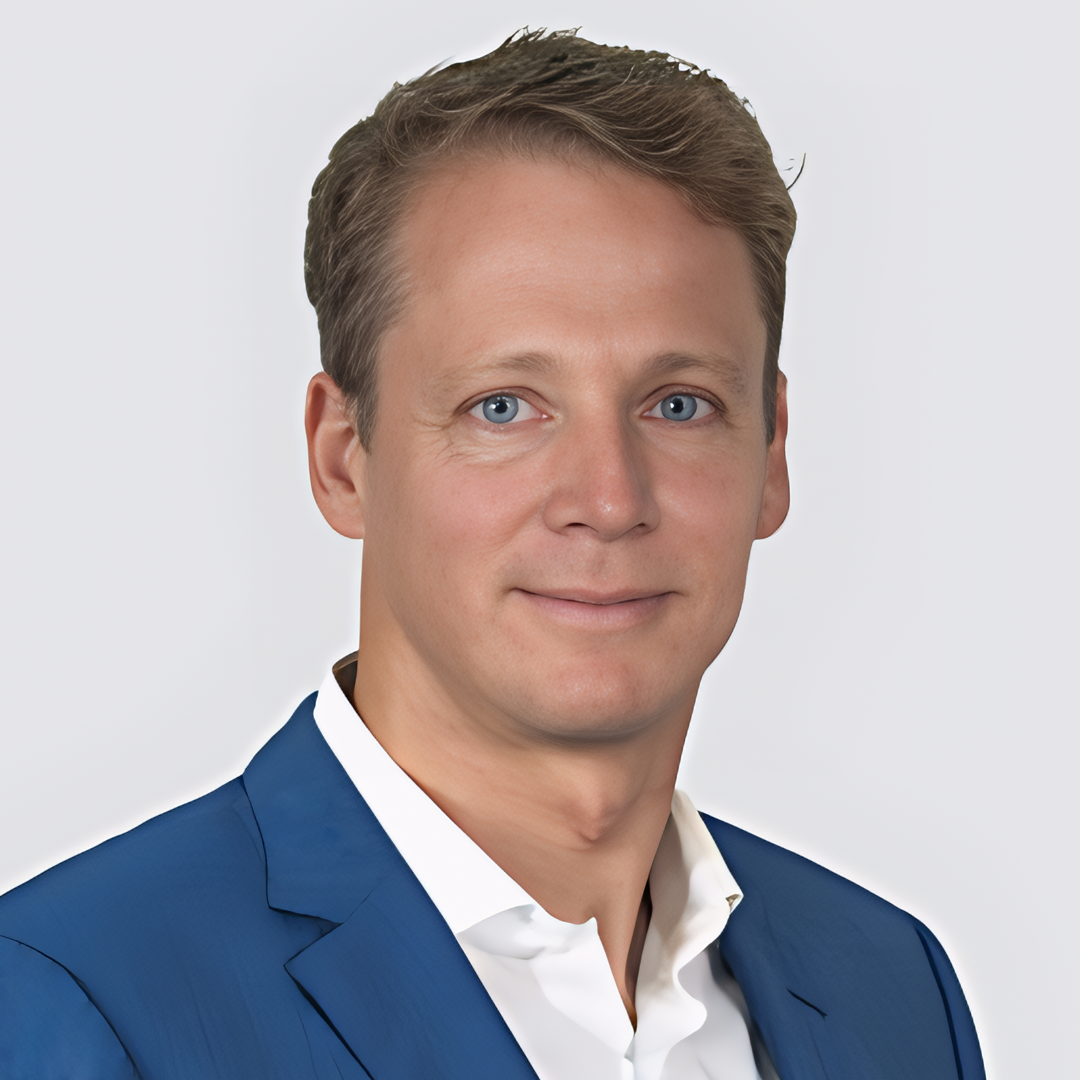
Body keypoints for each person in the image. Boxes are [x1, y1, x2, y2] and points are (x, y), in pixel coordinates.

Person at [0, 29, 983, 1080]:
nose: (608, 500)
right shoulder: (73, 995)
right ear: (343, 458)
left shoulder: (894, 988)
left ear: (771, 455)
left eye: (679, 405)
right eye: (504, 406)